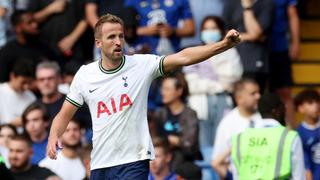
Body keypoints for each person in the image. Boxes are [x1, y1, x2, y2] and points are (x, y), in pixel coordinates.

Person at [46, 14, 240, 179]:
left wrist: (222, 45)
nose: (117, 41)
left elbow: (183, 57)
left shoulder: (142, 65)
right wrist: (53, 135)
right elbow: (64, 114)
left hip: (134, 160)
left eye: (121, 36)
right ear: (98, 43)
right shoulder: (85, 75)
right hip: (100, 163)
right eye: (111, 37)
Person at [183, 15, 242, 155]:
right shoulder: (194, 52)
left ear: (221, 31)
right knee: (205, 146)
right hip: (200, 104)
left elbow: (232, 79)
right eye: (206, 29)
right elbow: (192, 85)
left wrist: (206, 79)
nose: (210, 32)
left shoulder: (231, 52)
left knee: (224, 144)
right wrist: (219, 84)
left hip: (224, 101)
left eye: (213, 28)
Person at [225, 93, 305, 179]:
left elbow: (237, 176)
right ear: (276, 111)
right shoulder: (290, 137)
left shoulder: (239, 139)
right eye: (284, 107)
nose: (285, 111)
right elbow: (299, 176)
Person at [211, 78, 261, 179]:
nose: (258, 96)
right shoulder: (227, 123)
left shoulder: (266, 118)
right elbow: (217, 161)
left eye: (258, 92)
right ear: (239, 98)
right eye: (253, 93)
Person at [223, 0, 274, 90]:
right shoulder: (231, 3)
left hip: (255, 62)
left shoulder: (266, 3)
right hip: (233, 60)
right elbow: (225, 34)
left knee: (253, 97)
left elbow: (255, 32)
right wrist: (250, 36)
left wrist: (247, 7)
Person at [155, 72, 201, 170]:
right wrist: (171, 141)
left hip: (186, 163)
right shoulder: (159, 114)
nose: (162, 92)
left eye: (167, 89)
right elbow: (155, 140)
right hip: (163, 162)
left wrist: (174, 141)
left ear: (179, 91)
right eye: (162, 88)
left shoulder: (190, 114)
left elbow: (190, 143)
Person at [269, 0, 300, 128]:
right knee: (255, 91)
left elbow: (292, 14)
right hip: (255, 49)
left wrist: (295, 42)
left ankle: (291, 133)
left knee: (285, 93)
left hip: (279, 46)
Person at [28, 0, 88, 65]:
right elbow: (30, 19)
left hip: (73, 49)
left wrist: (71, 39)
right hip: (44, 48)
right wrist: (49, 10)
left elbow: (85, 19)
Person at [36, 61, 92, 130]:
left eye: (50, 78)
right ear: (37, 83)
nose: (46, 83)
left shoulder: (74, 102)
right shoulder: (33, 108)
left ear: (59, 79)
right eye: (41, 79)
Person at [125, 0, 195, 55]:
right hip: (143, 54)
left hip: (172, 52)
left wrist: (172, 31)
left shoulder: (179, 1)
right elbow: (124, 31)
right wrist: (146, 30)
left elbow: (190, 30)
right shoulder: (131, 1)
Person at [0, 10, 52, 83]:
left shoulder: (44, 48)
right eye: (29, 23)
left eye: (35, 21)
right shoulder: (7, 52)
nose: (35, 25)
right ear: (18, 28)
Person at [0, 60, 36, 127]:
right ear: (12, 76)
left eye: (29, 83)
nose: (26, 87)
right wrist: (11, 125)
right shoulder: (1, 91)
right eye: (23, 82)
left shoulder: (31, 96)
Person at [294, 89, 320, 180]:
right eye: (310, 103)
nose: (316, 105)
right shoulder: (299, 134)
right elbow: (306, 167)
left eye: (317, 101)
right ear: (300, 108)